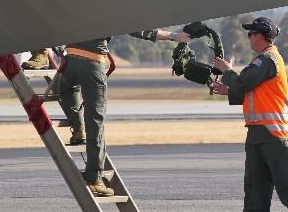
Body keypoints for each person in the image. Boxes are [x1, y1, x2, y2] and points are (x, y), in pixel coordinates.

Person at [210, 17, 288, 212]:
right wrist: (228, 90)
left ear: (259, 36)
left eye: (250, 34)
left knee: (286, 185)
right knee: (254, 186)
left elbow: (245, 83)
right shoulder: (261, 61)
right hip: (257, 132)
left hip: (273, 134)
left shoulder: (267, 60)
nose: (249, 38)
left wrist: (227, 71)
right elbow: (252, 92)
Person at [55, 29, 190, 197]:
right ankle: (94, 179)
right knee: (95, 122)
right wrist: (173, 36)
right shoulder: (110, 9)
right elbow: (139, 30)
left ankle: (78, 127)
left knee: (64, 90)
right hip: (92, 63)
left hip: (70, 62)